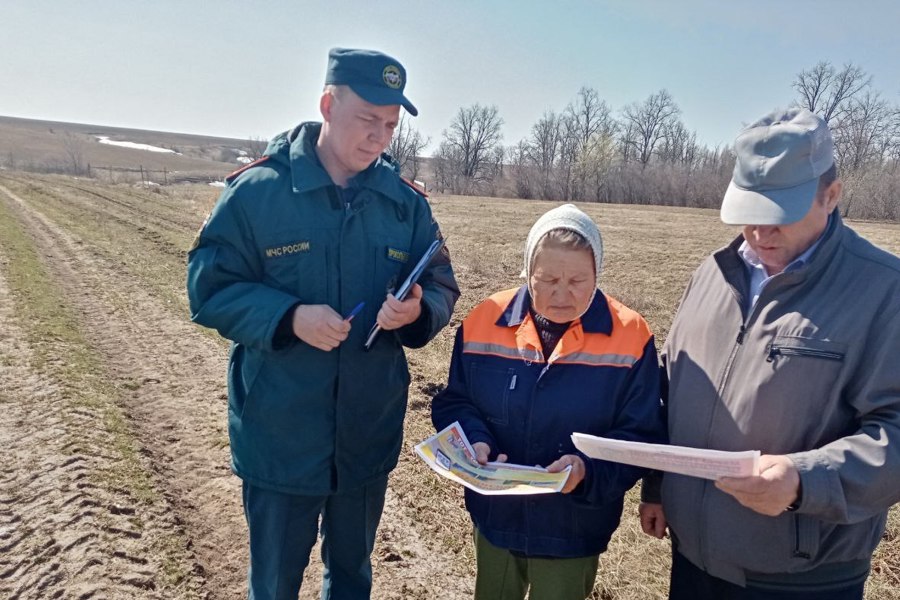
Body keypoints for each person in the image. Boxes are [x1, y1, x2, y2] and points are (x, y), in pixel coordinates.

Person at [186, 48, 459, 600]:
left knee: (353, 577)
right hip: (281, 435)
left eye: (390, 125)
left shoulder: (404, 206)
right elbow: (209, 288)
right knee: (276, 583)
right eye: (367, 120)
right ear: (328, 106)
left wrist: (417, 311)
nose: (380, 137)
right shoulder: (259, 193)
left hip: (366, 432)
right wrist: (288, 317)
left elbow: (441, 282)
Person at [639, 107, 900, 600]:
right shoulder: (713, 274)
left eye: (781, 214)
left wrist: (805, 481)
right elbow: (672, 387)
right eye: (749, 212)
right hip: (692, 560)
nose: (761, 233)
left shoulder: (884, 292)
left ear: (832, 196)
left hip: (800, 579)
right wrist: (658, 485)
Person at [432, 204, 666, 600]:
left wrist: (586, 471)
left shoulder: (631, 335)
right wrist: (474, 440)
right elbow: (456, 401)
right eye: (547, 279)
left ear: (598, 275)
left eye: (578, 280)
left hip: (573, 527)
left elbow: (639, 435)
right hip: (496, 521)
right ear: (527, 271)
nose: (562, 294)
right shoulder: (483, 320)